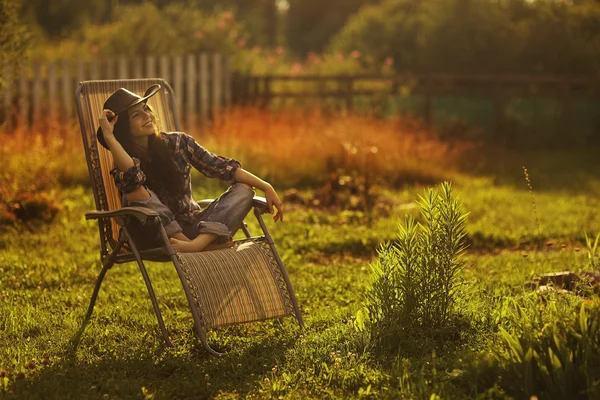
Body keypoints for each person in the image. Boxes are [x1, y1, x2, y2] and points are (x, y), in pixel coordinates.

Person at [96, 84, 283, 253]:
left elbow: (221, 167)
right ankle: (196, 245)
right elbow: (133, 180)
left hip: (195, 228)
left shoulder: (178, 142)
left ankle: (198, 246)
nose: (147, 116)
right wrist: (109, 137)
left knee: (244, 189)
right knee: (136, 193)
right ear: (124, 129)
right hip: (155, 236)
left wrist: (266, 186)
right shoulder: (124, 160)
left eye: (146, 109)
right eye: (137, 115)